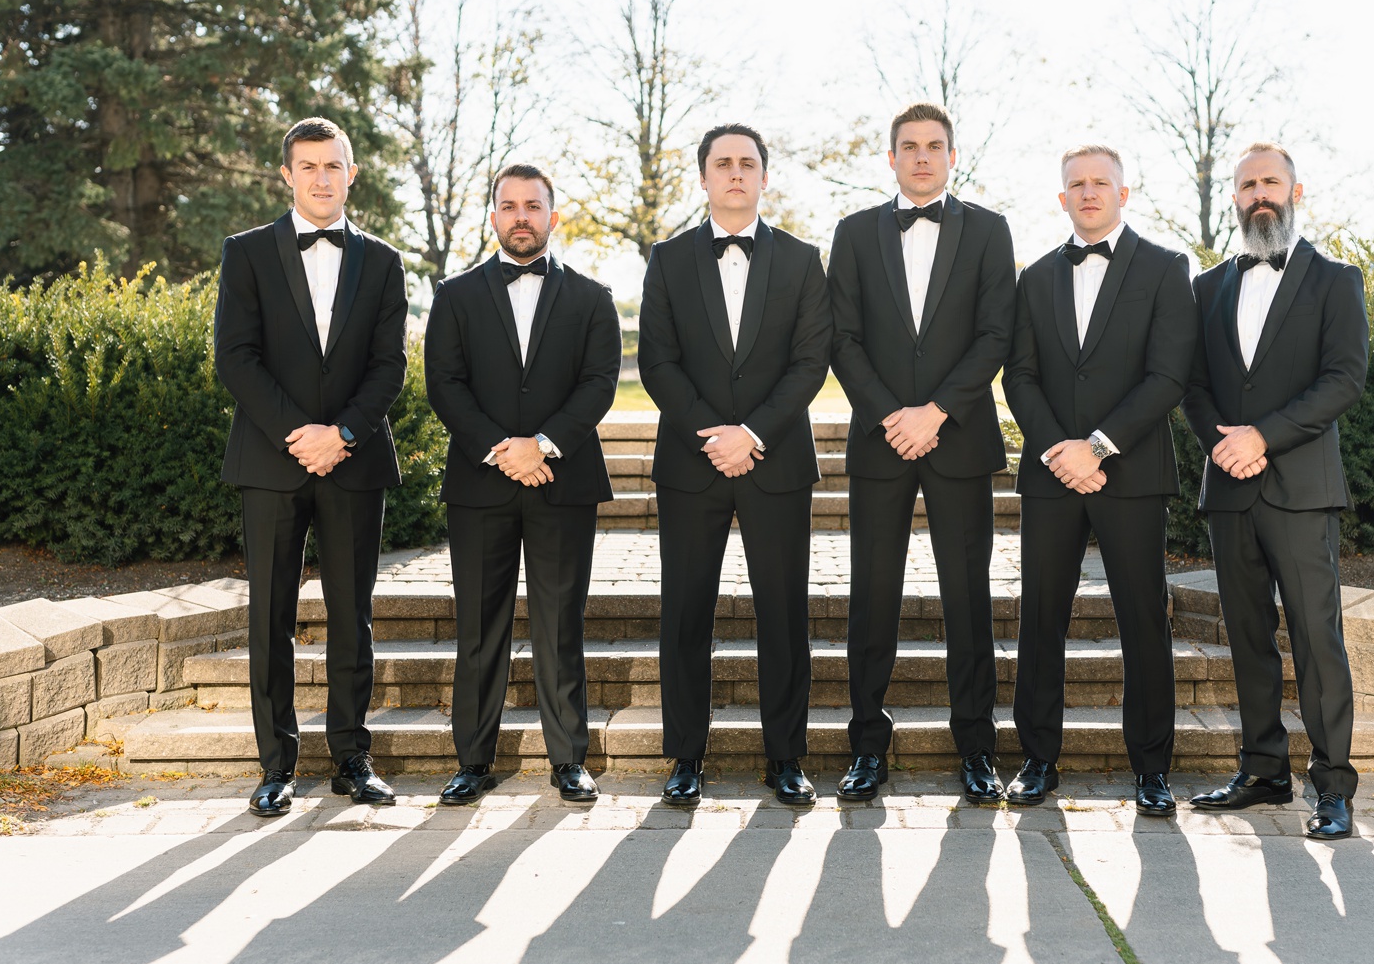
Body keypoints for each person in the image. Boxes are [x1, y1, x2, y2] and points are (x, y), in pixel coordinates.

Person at [214, 117, 408, 817]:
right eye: (308, 166)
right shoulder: (247, 254)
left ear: (352, 173)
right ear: (286, 174)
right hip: (272, 462)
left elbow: (392, 365)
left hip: (354, 463)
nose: (322, 177)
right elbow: (235, 357)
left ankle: (353, 759)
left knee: (353, 617)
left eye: (334, 166)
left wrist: (344, 434)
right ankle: (277, 765)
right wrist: (300, 434)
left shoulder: (384, 261)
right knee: (271, 617)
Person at [826, 102, 1016, 804]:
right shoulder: (851, 234)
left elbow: (996, 334)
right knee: (871, 598)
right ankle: (866, 750)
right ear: (891, 158)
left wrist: (934, 413)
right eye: (909, 147)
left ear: (952, 155)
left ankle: (977, 749)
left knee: (968, 598)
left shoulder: (991, 232)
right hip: (880, 444)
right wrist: (890, 416)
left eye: (935, 146)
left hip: (959, 438)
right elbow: (841, 339)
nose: (923, 157)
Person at [638, 124, 833, 807]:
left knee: (783, 613)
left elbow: (812, 362)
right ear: (703, 177)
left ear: (765, 177)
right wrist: (711, 435)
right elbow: (656, 360)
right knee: (686, 614)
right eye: (723, 163)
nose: (736, 173)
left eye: (748, 163)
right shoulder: (666, 260)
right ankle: (686, 756)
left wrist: (751, 433)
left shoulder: (805, 261)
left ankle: (786, 756)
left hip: (774, 462)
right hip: (691, 466)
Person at [1181, 142, 1369, 840]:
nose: (1259, 192)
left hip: (1301, 487)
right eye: (1247, 184)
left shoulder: (1337, 280)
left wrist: (1263, 436)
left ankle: (1334, 786)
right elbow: (1192, 385)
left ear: (1294, 190)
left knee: (1319, 639)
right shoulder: (1204, 289)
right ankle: (1263, 769)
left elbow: (1344, 379)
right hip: (1228, 489)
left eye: (1271, 181)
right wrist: (1224, 445)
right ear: (1234, 196)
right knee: (1248, 638)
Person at [1002, 145, 1198, 811]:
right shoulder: (1034, 279)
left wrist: (1099, 446)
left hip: (1132, 471)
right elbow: (1019, 376)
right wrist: (1061, 448)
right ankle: (1037, 757)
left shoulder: (1167, 269)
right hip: (1051, 472)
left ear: (1123, 192)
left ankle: (1151, 767)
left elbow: (1167, 376)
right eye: (1076, 185)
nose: (1088, 193)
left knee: (1143, 617)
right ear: (1062, 198)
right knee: (1040, 617)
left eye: (1100, 183)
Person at [423, 164, 620, 805]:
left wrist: (544, 446)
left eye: (533, 206)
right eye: (509, 206)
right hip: (482, 483)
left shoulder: (593, 298)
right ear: (493, 218)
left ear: (552, 217)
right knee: (480, 627)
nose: (521, 217)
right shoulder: (455, 295)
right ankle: (473, 762)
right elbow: (444, 384)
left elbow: (598, 384)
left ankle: (570, 760)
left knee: (561, 625)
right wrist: (503, 451)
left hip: (563, 481)